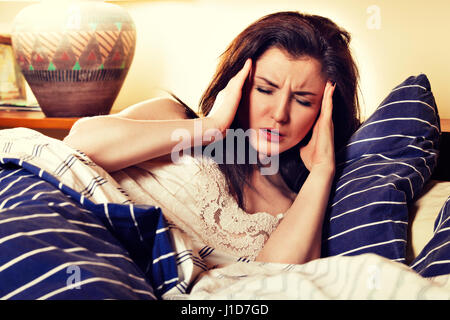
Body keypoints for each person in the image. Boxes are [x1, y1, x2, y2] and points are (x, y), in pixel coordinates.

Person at [64, 11, 361, 266]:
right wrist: (212, 126)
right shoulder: (177, 119)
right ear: (238, 84)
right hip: (62, 229)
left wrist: (322, 171)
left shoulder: (298, 204)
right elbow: (76, 145)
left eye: (303, 100)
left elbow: (275, 285)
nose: (280, 114)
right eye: (265, 89)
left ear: (325, 114)